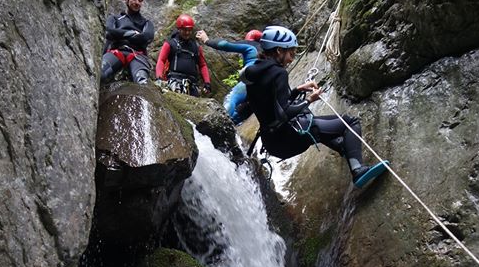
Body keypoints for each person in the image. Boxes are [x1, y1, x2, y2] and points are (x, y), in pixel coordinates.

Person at [241, 25, 385, 187]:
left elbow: (271, 104)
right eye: (290, 53)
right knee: (349, 123)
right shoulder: (279, 73)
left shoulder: (255, 73)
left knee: (315, 124)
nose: (291, 58)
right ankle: (358, 171)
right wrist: (310, 99)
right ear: (279, 51)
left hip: (273, 141)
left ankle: (344, 147)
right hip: (288, 138)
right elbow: (284, 113)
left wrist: (297, 90)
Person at [197, 29, 262, 123]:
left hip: (252, 81)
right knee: (239, 114)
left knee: (232, 98)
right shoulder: (271, 52)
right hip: (265, 89)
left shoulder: (251, 45)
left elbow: (224, 45)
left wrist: (206, 40)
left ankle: (218, 124)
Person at [101, 0, 155, 85]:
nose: (137, 2)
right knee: (100, 73)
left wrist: (119, 34)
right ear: (126, 0)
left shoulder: (146, 23)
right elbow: (108, 32)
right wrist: (132, 34)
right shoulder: (115, 19)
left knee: (142, 83)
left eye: (140, 0)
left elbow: (147, 37)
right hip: (117, 52)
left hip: (137, 55)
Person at [155, 14, 211, 96]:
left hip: (192, 85)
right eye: (184, 30)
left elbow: (202, 65)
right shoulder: (170, 44)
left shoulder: (196, 47)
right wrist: (159, 77)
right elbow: (161, 60)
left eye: (189, 30)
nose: (187, 32)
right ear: (179, 29)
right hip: (175, 82)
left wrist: (207, 82)